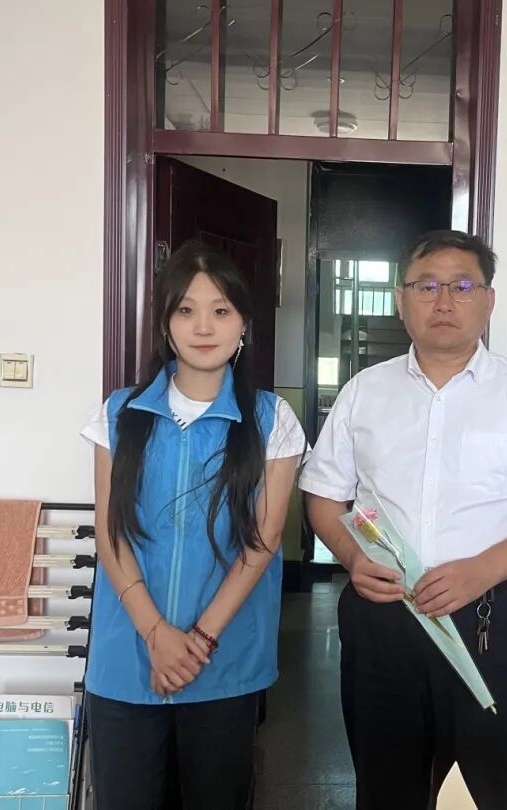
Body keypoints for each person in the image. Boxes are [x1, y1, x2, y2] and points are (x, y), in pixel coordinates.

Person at [300, 230, 507, 810]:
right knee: (385, 782)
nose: (444, 301)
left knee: (482, 785)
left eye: (462, 286)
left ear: (489, 300)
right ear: (401, 300)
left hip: (488, 619)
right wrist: (352, 556)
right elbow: (324, 497)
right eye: (426, 286)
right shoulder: (364, 392)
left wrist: (481, 571)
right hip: (382, 614)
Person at [80, 240, 306, 809]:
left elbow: (262, 542)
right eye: (186, 310)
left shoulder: (273, 419)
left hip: (223, 662)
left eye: (221, 310)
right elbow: (111, 533)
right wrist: (157, 635)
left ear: (244, 324)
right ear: (165, 324)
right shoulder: (118, 414)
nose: (203, 327)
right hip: (127, 658)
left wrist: (198, 641)